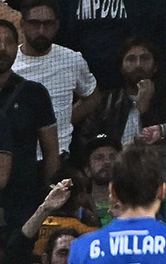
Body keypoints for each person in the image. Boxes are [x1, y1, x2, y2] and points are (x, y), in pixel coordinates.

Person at [13, 1, 99, 155]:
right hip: (19, 156)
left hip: (60, 153)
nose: (41, 30)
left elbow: (92, 96)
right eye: (34, 23)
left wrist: (63, 120)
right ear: (22, 24)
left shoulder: (71, 59)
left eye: (48, 24)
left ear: (57, 25)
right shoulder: (10, 63)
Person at [0, 18, 58, 232]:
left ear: (17, 47)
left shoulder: (34, 93)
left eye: (9, 42)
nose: (2, 48)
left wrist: (48, 198)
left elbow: (51, 152)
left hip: (23, 203)